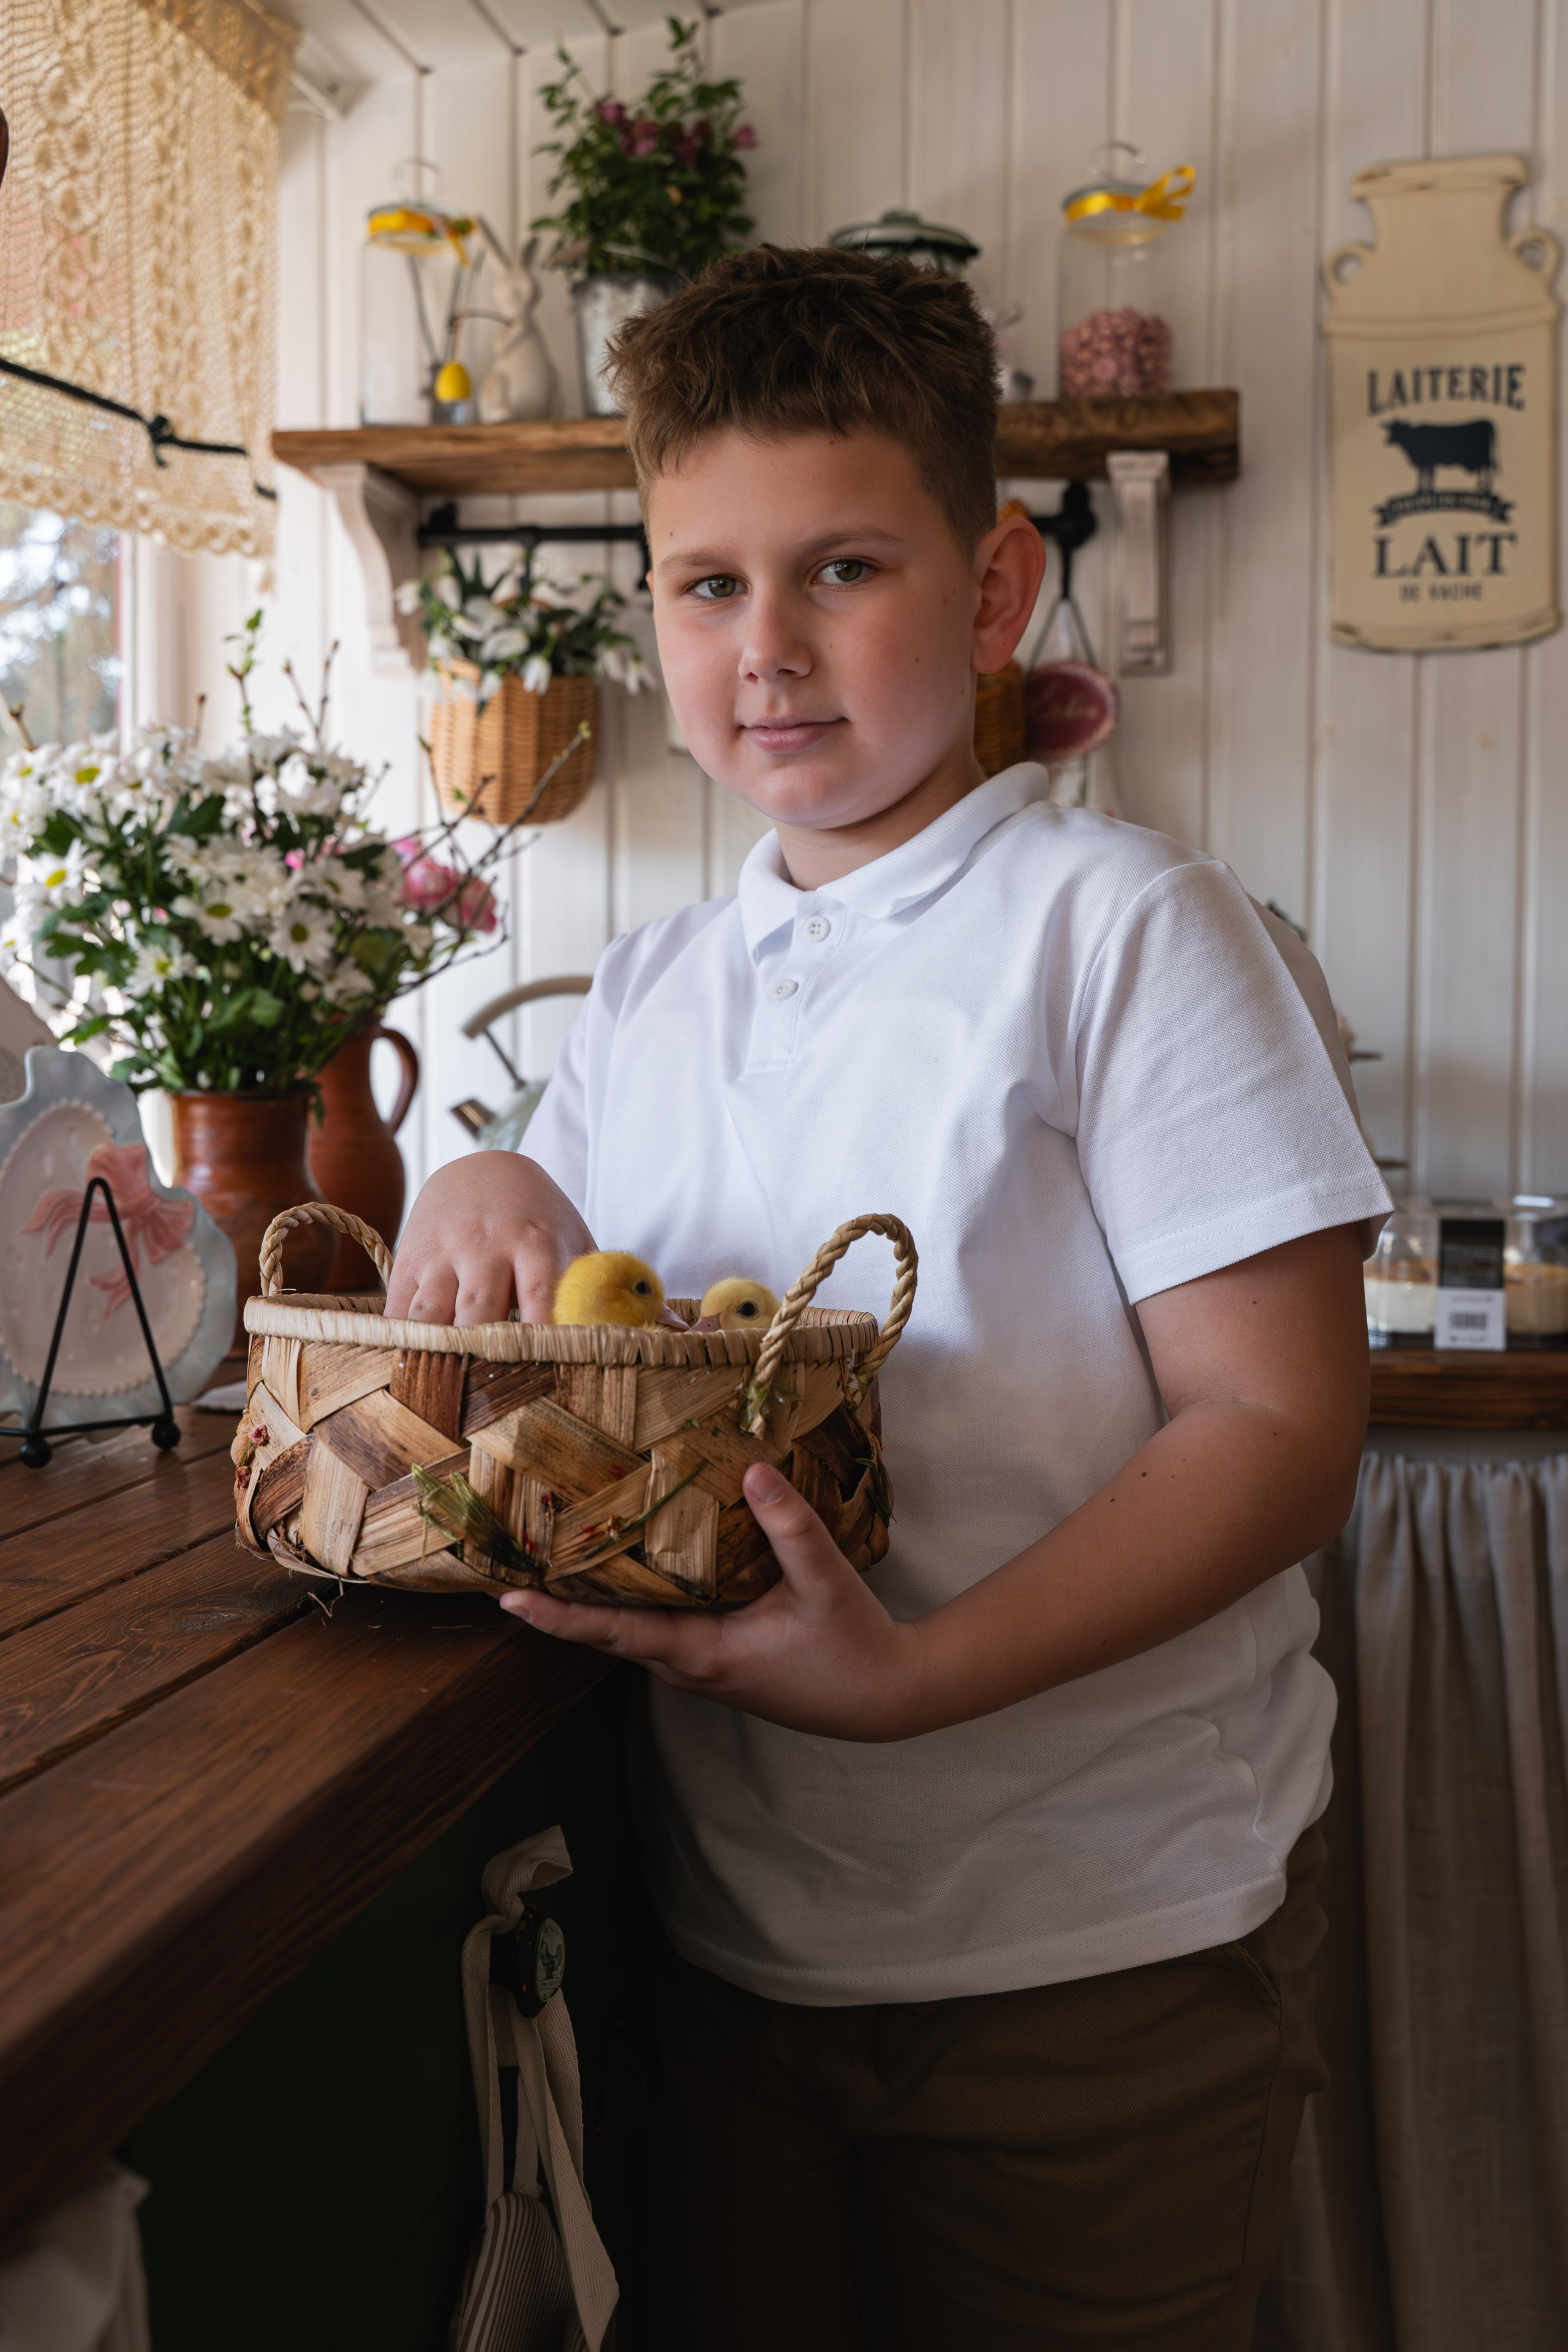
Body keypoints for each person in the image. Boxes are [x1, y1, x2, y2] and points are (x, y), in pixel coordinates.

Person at [389, 246, 1390, 2351]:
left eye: (842, 567)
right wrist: (488, 1164)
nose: (768, 650)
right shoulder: (653, 988)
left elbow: (1281, 1433)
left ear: (998, 588)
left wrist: (915, 1677)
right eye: (705, 584)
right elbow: (590, 1317)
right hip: (740, 1939)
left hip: (1095, 1952)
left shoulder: (1119, 925)